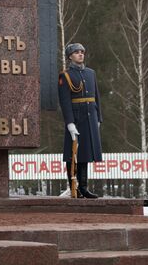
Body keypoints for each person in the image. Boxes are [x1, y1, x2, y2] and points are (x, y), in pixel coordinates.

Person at [58, 43, 103, 199]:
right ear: (70, 56)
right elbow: (65, 101)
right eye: (76, 52)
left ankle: (84, 187)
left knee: (86, 154)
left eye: (82, 52)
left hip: (91, 118)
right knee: (73, 154)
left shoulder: (91, 73)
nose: (80, 54)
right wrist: (70, 123)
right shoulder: (66, 76)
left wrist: (99, 118)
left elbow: (96, 97)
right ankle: (73, 187)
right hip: (76, 119)